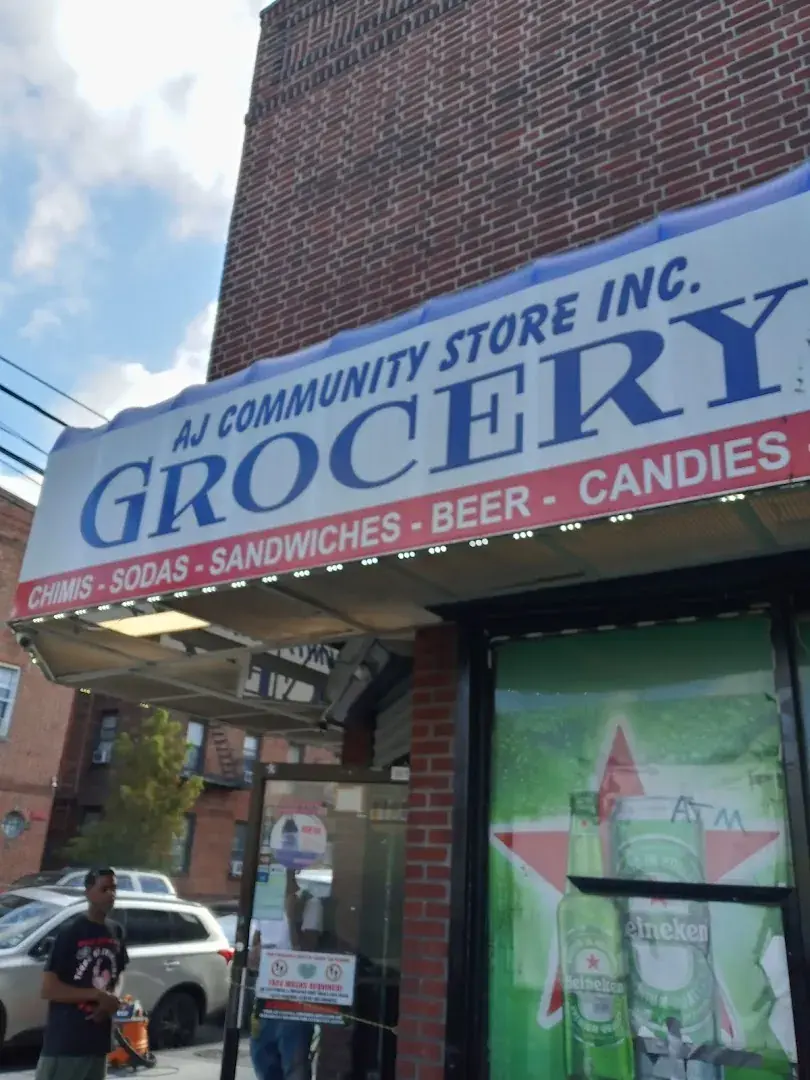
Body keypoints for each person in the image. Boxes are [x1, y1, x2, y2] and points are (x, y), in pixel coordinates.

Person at [36, 868, 129, 1080]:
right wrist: (96, 995)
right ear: (88, 892)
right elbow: (49, 989)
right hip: (67, 1042)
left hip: (98, 1042)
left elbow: (119, 973)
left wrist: (111, 1000)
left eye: (114, 889)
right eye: (104, 889)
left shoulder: (116, 931)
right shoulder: (70, 932)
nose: (111, 895)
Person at [249, 868, 324, 1080]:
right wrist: (256, 953)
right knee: (263, 1062)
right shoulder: (267, 903)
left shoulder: (310, 903)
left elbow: (308, 952)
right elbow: (254, 951)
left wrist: (292, 919)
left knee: (294, 1067)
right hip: (265, 999)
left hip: (294, 1002)